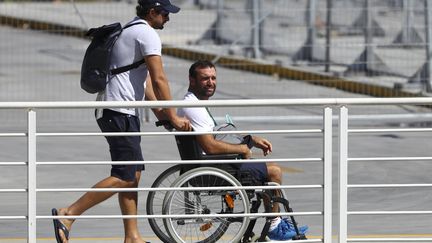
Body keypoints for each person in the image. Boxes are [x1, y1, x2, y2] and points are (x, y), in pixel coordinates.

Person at [51, 1, 191, 243]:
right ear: (152, 12)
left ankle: (132, 237)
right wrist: (174, 115)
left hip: (118, 110)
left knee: (133, 174)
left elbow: (144, 82)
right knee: (125, 175)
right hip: (119, 111)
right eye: (165, 13)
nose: (168, 18)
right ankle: (68, 214)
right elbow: (159, 79)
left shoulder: (131, 29)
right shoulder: (146, 33)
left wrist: (162, 114)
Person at [177, 60, 308, 241]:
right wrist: (243, 149)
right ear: (192, 80)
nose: (211, 82)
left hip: (214, 164)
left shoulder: (193, 103)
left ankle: (273, 222)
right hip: (214, 169)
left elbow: (217, 135)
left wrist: (250, 140)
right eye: (205, 78)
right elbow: (210, 145)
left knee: (264, 170)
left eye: (213, 78)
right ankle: (275, 225)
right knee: (274, 171)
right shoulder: (194, 108)